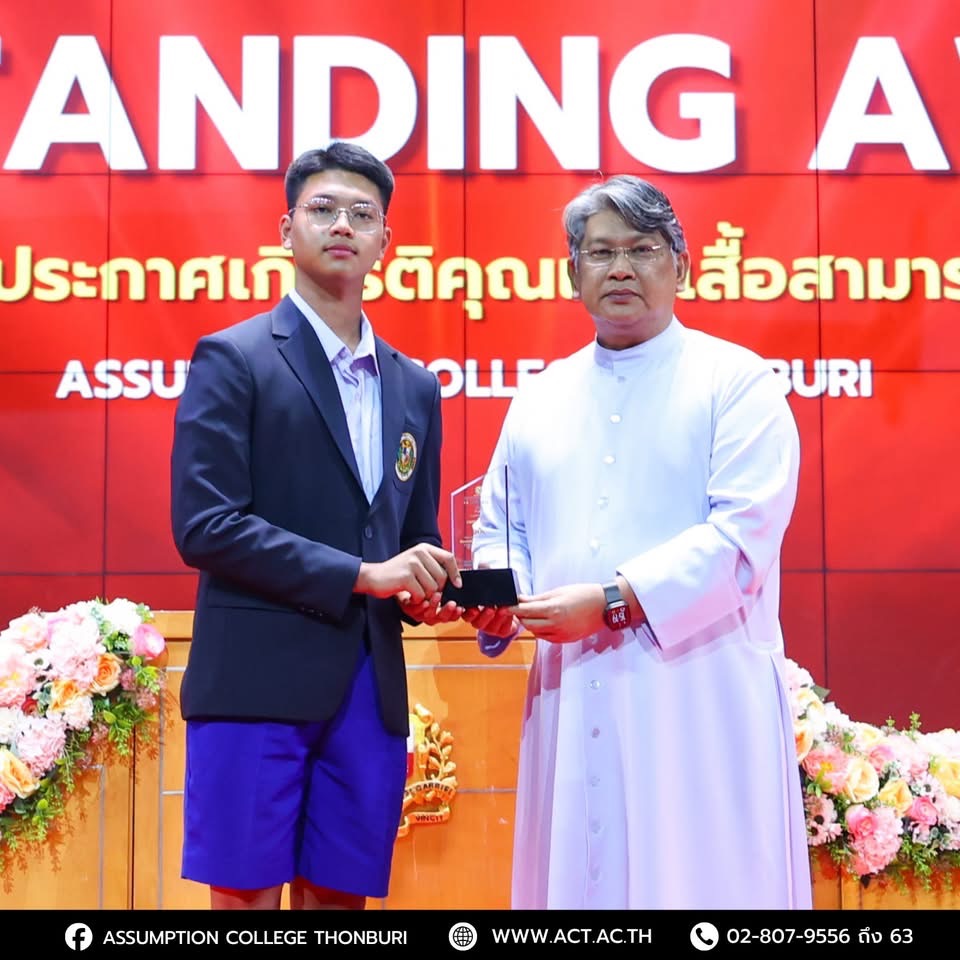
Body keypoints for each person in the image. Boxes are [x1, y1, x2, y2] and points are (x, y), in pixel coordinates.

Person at [464, 175, 812, 909]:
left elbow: (741, 539)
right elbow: (501, 526)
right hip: (569, 684)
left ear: (680, 265)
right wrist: (500, 597)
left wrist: (613, 601)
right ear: (574, 274)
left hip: (696, 691)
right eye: (600, 252)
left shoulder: (737, 382)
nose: (620, 268)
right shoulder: (541, 395)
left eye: (642, 250)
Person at [170, 142, 461, 910]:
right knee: (247, 901)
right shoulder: (233, 358)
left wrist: (426, 585)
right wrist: (362, 576)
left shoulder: (416, 386)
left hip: (370, 686)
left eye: (362, 214)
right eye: (323, 209)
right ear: (286, 230)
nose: (342, 225)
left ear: (385, 241)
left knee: (340, 903)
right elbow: (205, 525)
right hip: (256, 678)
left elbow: (413, 535)